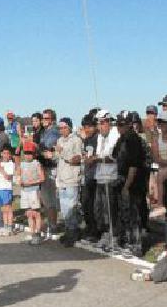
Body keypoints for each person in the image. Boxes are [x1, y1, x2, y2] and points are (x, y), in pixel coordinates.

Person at [113, 112, 150, 257]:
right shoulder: (121, 139)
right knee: (124, 213)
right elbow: (115, 156)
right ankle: (126, 241)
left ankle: (136, 245)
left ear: (129, 124)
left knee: (134, 215)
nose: (119, 127)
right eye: (118, 124)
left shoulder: (133, 140)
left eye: (122, 124)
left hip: (133, 182)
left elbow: (134, 166)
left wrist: (127, 186)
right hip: (122, 179)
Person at [90, 110, 121, 251]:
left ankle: (114, 236)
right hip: (100, 177)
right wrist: (94, 158)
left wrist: (97, 158)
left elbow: (112, 157)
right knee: (101, 209)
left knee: (111, 209)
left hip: (112, 177)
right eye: (98, 123)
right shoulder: (99, 137)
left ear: (108, 122)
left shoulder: (115, 134)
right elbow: (98, 154)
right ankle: (105, 234)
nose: (100, 126)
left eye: (102, 123)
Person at [52, 117, 84, 247]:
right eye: (60, 128)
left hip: (71, 179)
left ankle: (73, 233)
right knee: (64, 210)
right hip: (61, 179)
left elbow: (76, 158)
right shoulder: (59, 140)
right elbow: (58, 158)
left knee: (71, 208)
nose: (62, 130)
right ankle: (68, 231)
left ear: (70, 127)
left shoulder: (76, 140)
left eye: (64, 127)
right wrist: (51, 155)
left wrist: (62, 152)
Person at [37, 109, 61, 234]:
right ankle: (50, 224)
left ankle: (53, 226)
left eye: (46, 118)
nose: (43, 120)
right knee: (45, 198)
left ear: (52, 120)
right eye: (43, 118)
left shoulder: (53, 132)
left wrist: (35, 147)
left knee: (50, 198)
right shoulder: (45, 131)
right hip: (45, 167)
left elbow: (46, 148)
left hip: (51, 168)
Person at [16, 141, 45, 244]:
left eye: (30, 153)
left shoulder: (37, 163)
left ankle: (37, 234)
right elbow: (18, 174)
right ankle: (32, 234)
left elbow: (42, 178)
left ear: (34, 154)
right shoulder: (22, 164)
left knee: (36, 213)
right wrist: (18, 180)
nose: (28, 155)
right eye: (26, 153)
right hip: (25, 191)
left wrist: (31, 183)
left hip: (34, 191)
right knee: (29, 213)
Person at [0, 145, 17, 236]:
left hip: (6, 188)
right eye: (4, 153)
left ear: (10, 155)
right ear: (2, 154)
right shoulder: (0, 163)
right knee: (3, 209)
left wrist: (1, 169)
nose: (6, 155)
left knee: (8, 208)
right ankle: (5, 226)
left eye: (8, 153)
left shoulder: (11, 164)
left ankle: (10, 227)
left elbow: (8, 177)